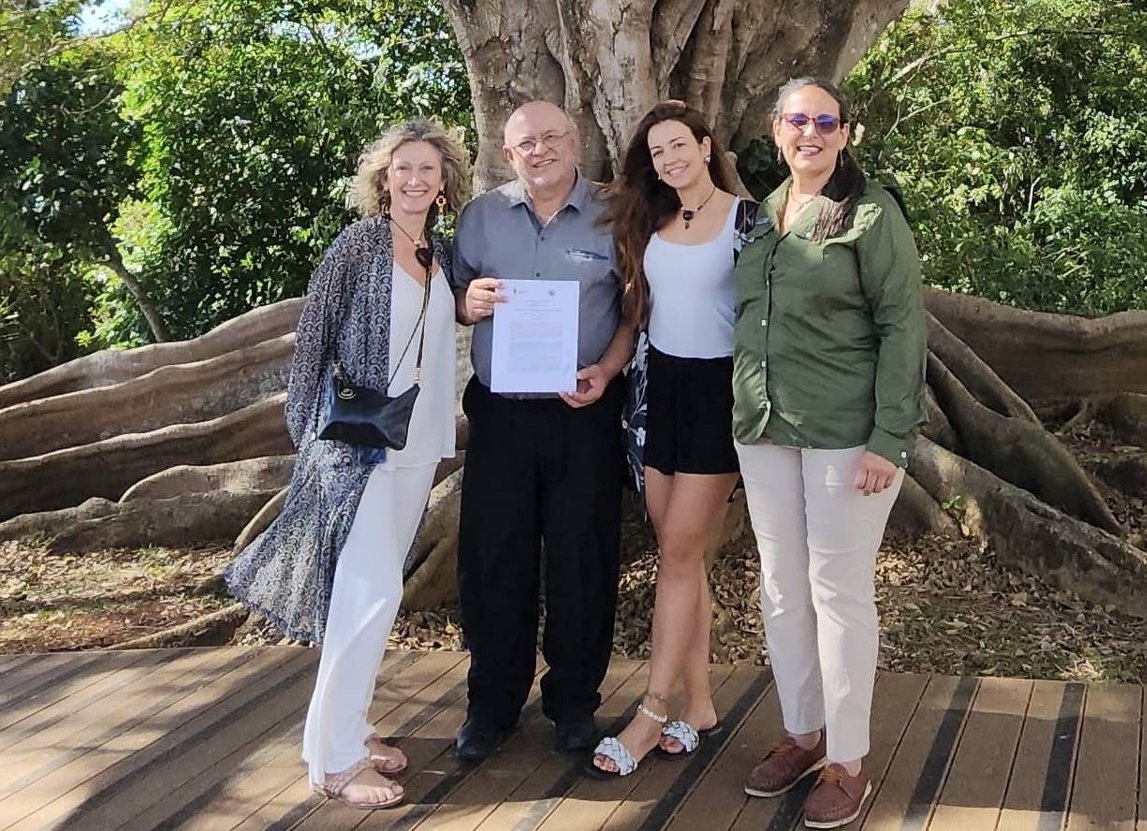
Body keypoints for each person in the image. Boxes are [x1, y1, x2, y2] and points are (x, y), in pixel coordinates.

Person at [224, 120, 469, 809]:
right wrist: (309, 440)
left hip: (418, 444)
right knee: (367, 593)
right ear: (383, 179)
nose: (414, 179)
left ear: (444, 183)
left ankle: (352, 728)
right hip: (357, 448)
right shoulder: (357, 245)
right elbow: (312, 343)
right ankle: (332, 762)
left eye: (427, 169)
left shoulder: (443, 253)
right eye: (403, 168)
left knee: (377, 592)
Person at [732, 77, 925, 828]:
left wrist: (890, 439)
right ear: (776, 129)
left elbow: (903, 327)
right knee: (781, 589)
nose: (809, 132)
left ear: (844, 134)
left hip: (846, 433)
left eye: (825, 121)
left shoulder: (871, 214)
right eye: (796, 120)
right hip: (763, 427)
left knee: (837, 592)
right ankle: (802, 732)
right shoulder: (764, 214)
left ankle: (848, 760)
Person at [450, 101, 635, 762]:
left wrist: (607, 371)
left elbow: (635, 312)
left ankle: (574, 703)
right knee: (494, 558)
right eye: (525, 143)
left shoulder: (617, 214)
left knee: (582, 557)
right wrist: (466, 303)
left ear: (575, 141)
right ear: (508, 154)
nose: (540, 150)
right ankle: (491, 705)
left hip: (582, 414)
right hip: (500, 416)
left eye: (551, 137)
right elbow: (453, 298)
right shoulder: (480, 216)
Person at [588, 101, 752, 778]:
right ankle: (702, 703)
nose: (669, 159)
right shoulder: (650, 222)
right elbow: (636, 316)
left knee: (681, 549)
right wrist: (606, 370)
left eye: (679, 145)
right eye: (657, 152)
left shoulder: (748, 221)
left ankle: (653, 712)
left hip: (719, 394)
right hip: (657, 392)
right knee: (678, 552)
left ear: (706, 146)